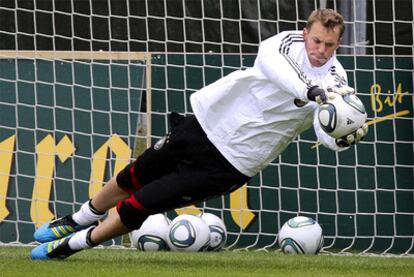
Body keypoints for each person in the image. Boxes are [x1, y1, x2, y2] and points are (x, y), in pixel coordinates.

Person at [31, 8, 368, 260]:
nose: (321, 50)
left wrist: (340, 137)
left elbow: (325, 129)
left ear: (338, 45)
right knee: (135, 173)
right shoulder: (283, 44)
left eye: (330, 45)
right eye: (317, 40)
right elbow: (273, 68)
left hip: (234, 161)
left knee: (142, 203)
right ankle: (78, 218)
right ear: (305, 32)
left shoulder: (338, 84)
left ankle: (71, 246)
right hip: (206, 124)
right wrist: (312, 92)